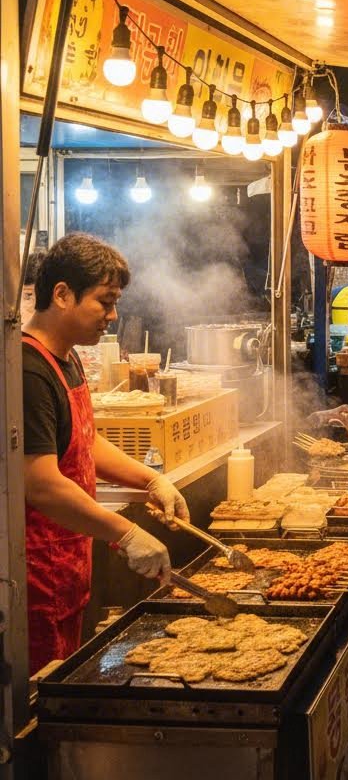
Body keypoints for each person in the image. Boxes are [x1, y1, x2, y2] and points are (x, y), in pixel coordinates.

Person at [21, 233, 188, 673]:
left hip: (70, 563)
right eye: (104, 301)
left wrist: (150, 479)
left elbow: (85, 439)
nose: (113, 315)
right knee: (39, 703)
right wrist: (124, 532)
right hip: (34, 575)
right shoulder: (28, 370)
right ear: (62, 294)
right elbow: (39, 483)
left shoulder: (66, 357)